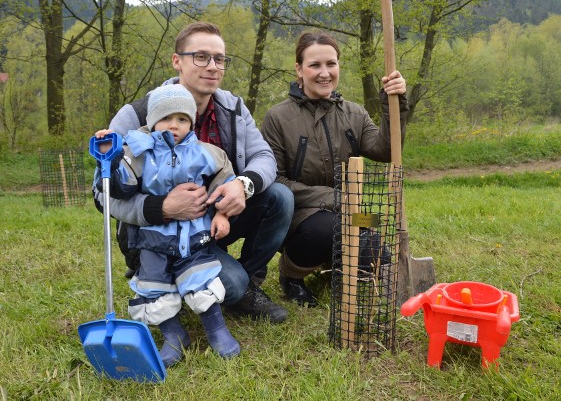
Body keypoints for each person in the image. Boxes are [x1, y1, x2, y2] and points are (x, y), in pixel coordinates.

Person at [94, 22, 294, 323]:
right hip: (158, 236)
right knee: (231, 284)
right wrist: (160, 207)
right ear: (177, 61)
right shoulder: (134, 115)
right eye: (201, 56)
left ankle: (248, 287)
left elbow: (263, 157)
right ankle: (165, 278)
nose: (212, 66)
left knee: (279, 197)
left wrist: (242, 185)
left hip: (214, 223)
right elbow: (101, 192)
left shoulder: (234, 109)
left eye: (219, 59)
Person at [94, 84, 241, 367]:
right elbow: (120, 189)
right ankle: (173, 334)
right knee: (153, 285)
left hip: (193, 234)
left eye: (182, 119)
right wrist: (110, 157)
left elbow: (224, 182)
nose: (174, 125)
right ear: (152, 121)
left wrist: (222, 214)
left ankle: (216, 329)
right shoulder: (137, 151)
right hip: (152, 237)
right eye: (166, 119)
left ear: (191, 123)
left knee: (201, 279)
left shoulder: (206, 153)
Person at [260, 31, 409, 307]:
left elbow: (385, 150)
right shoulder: (278, 118)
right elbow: (275, 180)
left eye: (331, 63)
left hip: (350, 211)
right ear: (299, 69)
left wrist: (394, 105)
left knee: (379, 253)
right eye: (315, 65)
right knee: (329, 229)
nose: (324, 73)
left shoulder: (354, 113)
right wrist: (333, 198)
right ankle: (291, 274)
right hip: (301, 217)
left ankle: (336, 263)